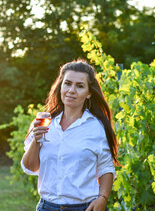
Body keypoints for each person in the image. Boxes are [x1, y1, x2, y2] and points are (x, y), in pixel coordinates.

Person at [21, 59, 120, 211]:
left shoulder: (96, 127)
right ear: (60, 86)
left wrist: (103, 198)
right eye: (67, 83)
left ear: (88, 94)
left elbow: (106, 167)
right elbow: (30, 167)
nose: (71, 90)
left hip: (85, 208)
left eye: (80, 86)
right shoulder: (44, 123)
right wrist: (36, 140)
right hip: (47, 207)